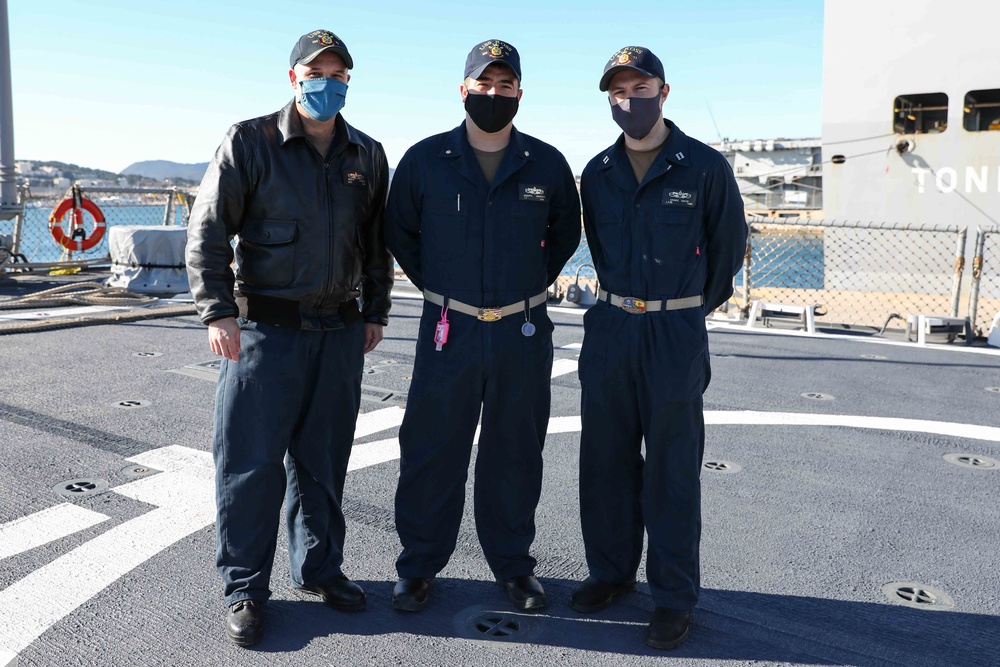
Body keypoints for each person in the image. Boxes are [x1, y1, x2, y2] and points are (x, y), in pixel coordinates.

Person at [185, 29, 392, 647]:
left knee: (324, 464)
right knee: (249, 466)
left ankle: (320, 569)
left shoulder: (368, 154)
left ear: (349, 81)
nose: (325, 82)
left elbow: (376, 243)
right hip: (263, 332)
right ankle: (245, 586)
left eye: (336, 73)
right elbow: (209, 231)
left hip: (338, 330)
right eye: (314, 71)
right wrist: (217, 312)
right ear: (293, 77)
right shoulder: (250, 141)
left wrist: (375, 310)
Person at [385, 39, 580, 613]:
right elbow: (403, 235)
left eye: (505, 85)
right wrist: (447, 291)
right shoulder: (424, 160)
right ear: (463, 89)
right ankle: (418, 566)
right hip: (450, 329)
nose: (494, 95)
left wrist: (521, 287)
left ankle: (514, 567)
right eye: (484, 84)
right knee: (430, 447)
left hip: (522, 331)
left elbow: (564, 237)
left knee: (516, 451)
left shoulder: (546, 163)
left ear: (520, 91)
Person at [571, 46, 747, 650]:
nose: (629, 100)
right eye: (618, 92)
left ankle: (673, 597)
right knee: (605, 463)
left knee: (672, 470)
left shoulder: (702, 166)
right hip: (612, 328)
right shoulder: (597, 171)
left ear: (664, 92)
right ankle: (611, 573)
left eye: (639, 88)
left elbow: (725, 256)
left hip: (674, 333)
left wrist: (683, 312)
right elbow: (592, 240)